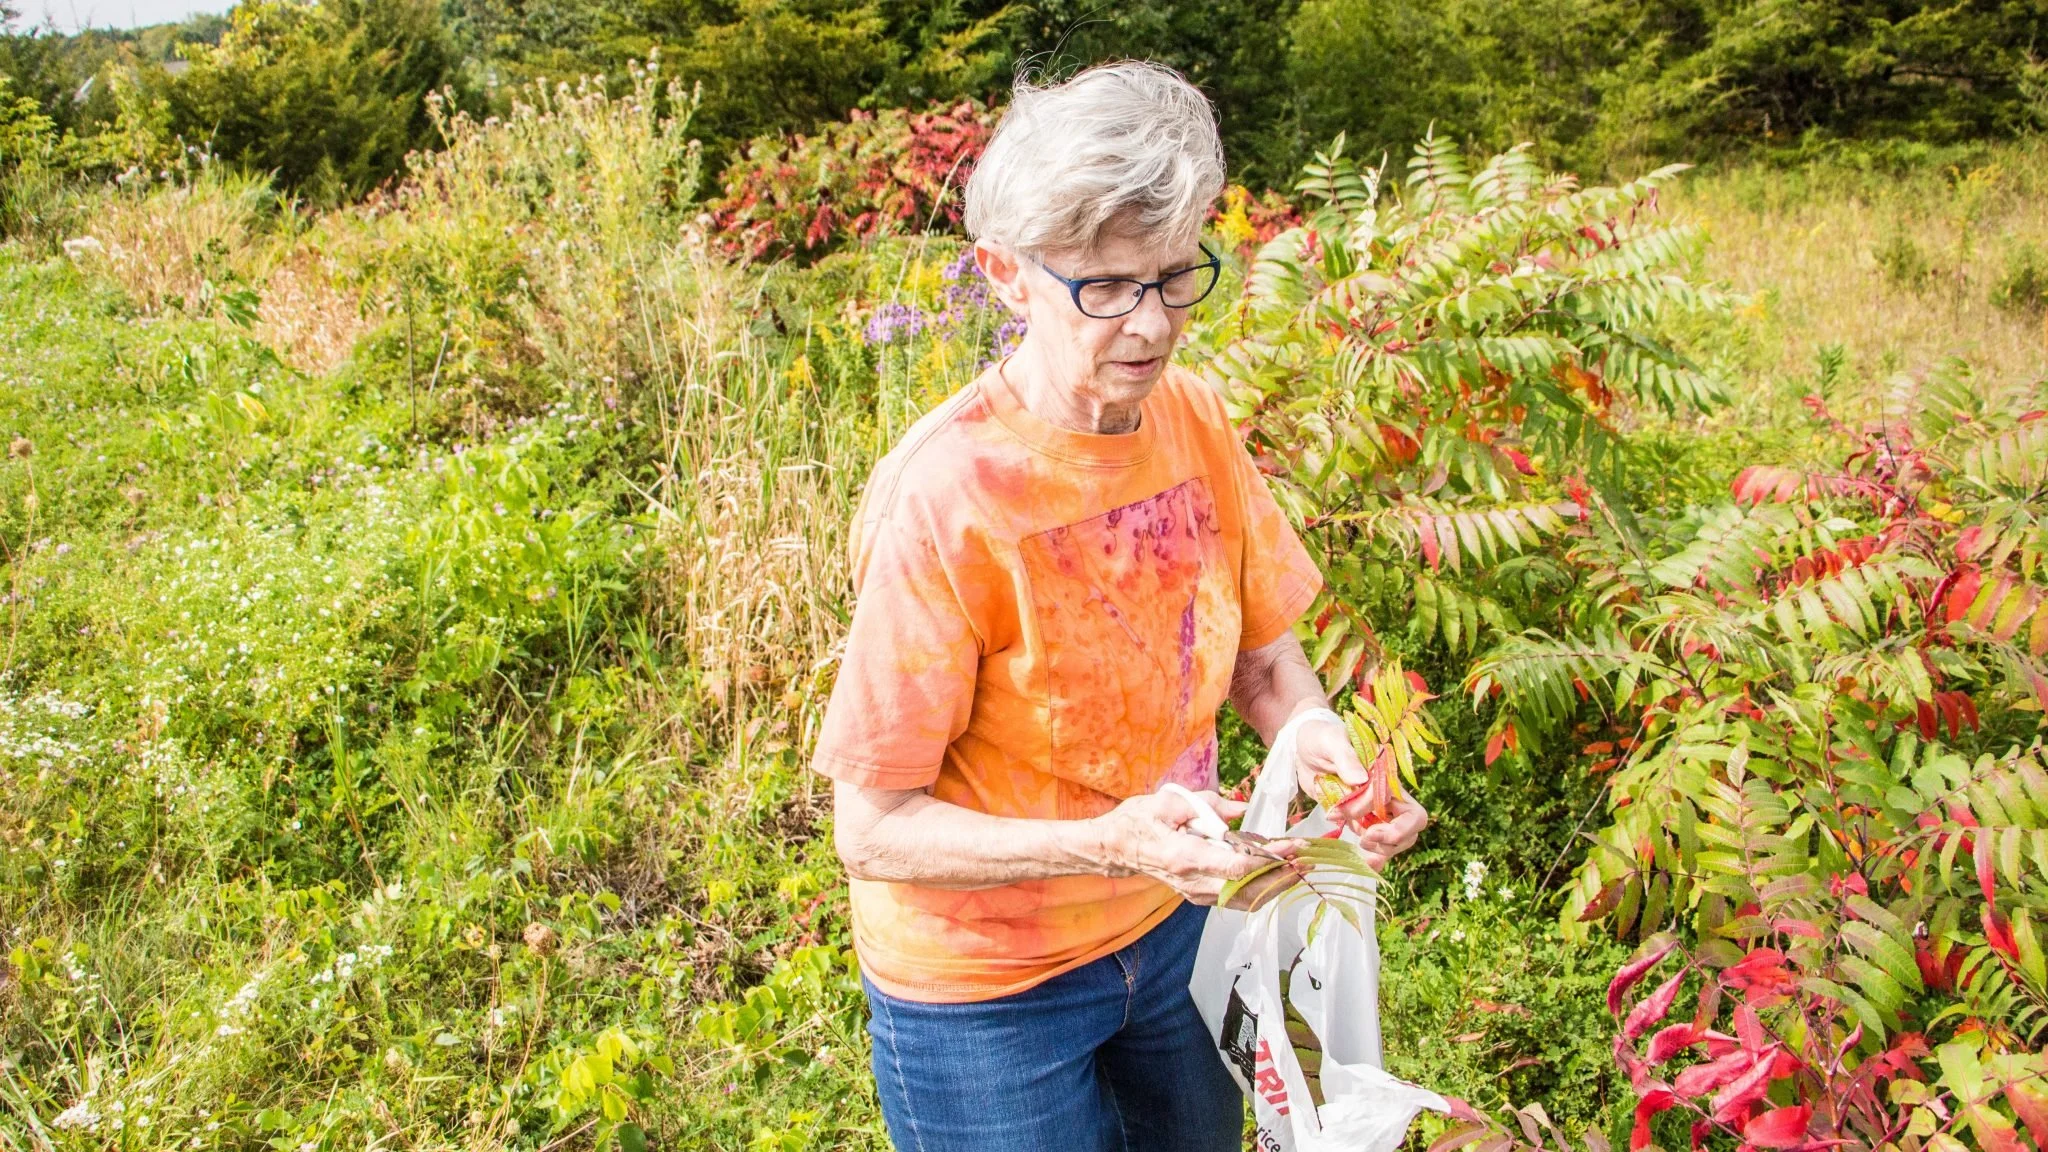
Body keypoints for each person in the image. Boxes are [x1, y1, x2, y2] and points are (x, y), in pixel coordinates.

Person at [810, 60, 1430, 1152]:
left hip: (1177, 927)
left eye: (1174, 275)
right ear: (1004, 276)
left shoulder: (1190, 417)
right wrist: (1109, 844)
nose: (1148, 326)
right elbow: (872, 828)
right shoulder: (944, 498)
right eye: (1103, 289)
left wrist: (1327, 761)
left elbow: (1264, 666)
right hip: (984, 990)